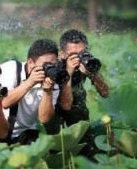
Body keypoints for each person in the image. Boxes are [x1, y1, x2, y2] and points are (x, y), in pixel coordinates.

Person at [46, 29, 110, 157]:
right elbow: (65, 105)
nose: (79, 58)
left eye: (82, 52)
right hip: (57, 114)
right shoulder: (56, 68)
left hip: (79, 113)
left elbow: (105, 93)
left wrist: (93, 73)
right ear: (63, 54)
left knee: (88, 153)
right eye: (73, 54)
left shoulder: (86, 61)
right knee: (59, 154)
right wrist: (69, 71)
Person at [0, 39, 72, 145]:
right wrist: (30, 82)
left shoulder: (53, 80)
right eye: (46, 65)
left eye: (54, 65)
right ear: (30, 63)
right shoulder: (12, 68)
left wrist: (47, 91)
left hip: (24, 134)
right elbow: (4, 102)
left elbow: (44, 119)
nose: (50, 69)